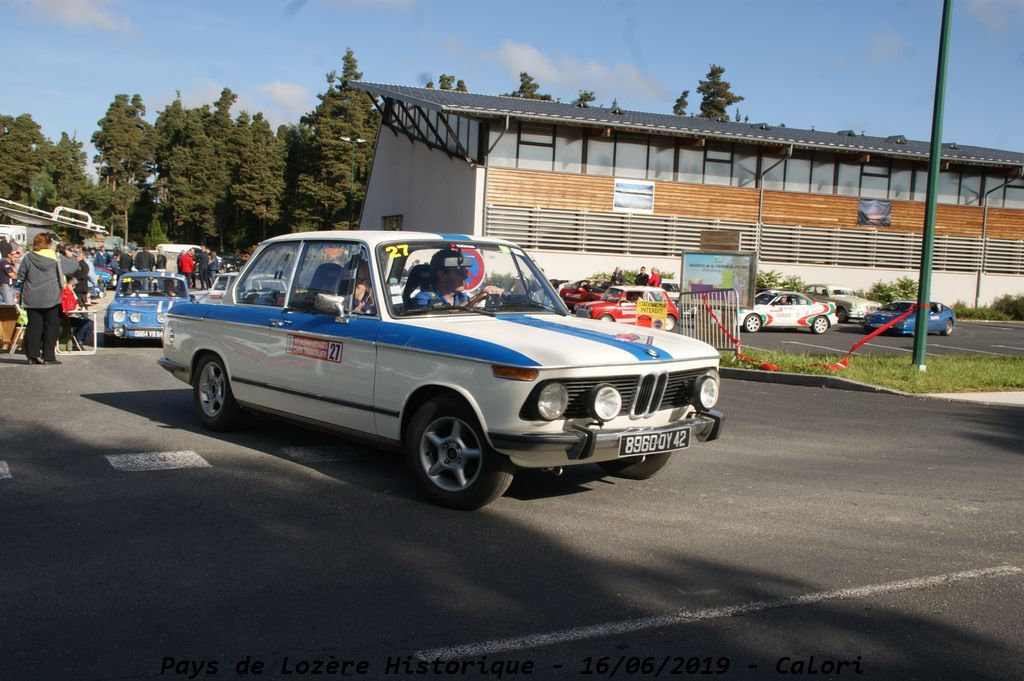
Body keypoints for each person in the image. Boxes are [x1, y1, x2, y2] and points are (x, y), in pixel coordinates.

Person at [16, 233, 75, 365]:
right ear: (49, 243)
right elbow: (73, 267)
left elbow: (20, 275)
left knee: (33, 327)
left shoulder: (28, 257)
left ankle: (32, 356)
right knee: (51, 328)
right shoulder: (56, 257)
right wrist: (70, 256)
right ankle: (48, 357)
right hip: (52, 297)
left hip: (32, 297)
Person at [410, 248, 503, 309]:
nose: (465, 277)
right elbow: (444, 317)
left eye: (465, 272)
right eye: (459, 272)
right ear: (442, 276)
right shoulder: (424, 299)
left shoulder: (462, 298)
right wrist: (479, 296)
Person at [61, 275, 94, 348]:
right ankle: (78, 340)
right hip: (66, 317)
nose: (74, 287)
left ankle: (79, 340)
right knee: (87, 323)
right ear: (68, 284)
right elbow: (68, 307)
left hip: (72, 315)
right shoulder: (66, 292)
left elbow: (75, 303)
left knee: (90, 323)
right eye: (73, 285)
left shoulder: (71, 292)